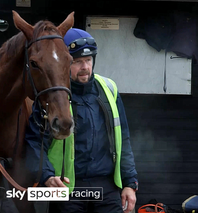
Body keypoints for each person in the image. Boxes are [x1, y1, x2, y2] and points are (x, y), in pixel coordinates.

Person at [25, 28, 138, 213]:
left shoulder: (109, 88)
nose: (85, 67)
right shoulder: (52, 97)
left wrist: (130, 183)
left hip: (107, 187)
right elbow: (34, 143)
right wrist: (46, 176)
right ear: (64, 64)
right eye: (77, 62)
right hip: (68, 189)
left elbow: (123, 140)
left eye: (88, 60)